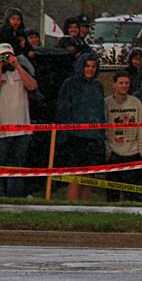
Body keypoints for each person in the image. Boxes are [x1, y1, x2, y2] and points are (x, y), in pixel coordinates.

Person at [0, 43, 37, 198]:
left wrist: (18, 65)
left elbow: (33, 86)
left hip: (21, 128)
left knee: (17, 166)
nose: (5, 59)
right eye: (2, 56)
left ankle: (15, 198)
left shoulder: (22, 71)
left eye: (8, 55)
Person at [55, 52, 106, 202]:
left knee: (89, 175)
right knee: (76, 174)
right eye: (87, 66)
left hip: (94, 137)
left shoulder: (98, 86)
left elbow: (100, 111)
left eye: (93, 66)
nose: (90, 69)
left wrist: (102, 135)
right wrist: (63, 134)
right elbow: (62, 110)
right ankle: (72, 206)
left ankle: (84, 206)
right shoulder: (70, 84)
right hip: (75, 137)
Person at [104, 69, 142, 202]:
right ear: (114, 84)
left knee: (132, 194)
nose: (124, 86)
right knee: (113, 194)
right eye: (121, 83)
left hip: (133, 153)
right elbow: (103, 128)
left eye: (127, 83)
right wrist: (108, 150)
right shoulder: (106, 103)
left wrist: (141, 149)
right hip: (114, 153)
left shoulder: (136, 102)